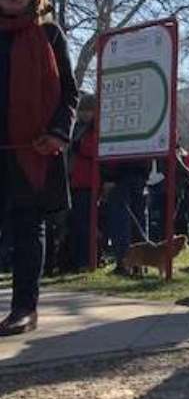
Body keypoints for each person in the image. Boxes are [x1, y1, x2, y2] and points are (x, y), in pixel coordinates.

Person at [0, 0, 79, 336]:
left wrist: (58, 133)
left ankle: (24, 309)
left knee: (28, 229)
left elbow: (69, 92)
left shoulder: (50, 36)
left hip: (33, 150)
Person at [68, 93, 97, 272]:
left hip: (89, 180)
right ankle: (76, 258)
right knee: (76, 222)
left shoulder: (94, 129)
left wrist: (80, 148)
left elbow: (96, 150)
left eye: (88, 111)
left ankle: (85, 259)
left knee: (86, 223)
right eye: (82, 111)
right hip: (75, 179)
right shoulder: (78, 127)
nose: (84, 114)